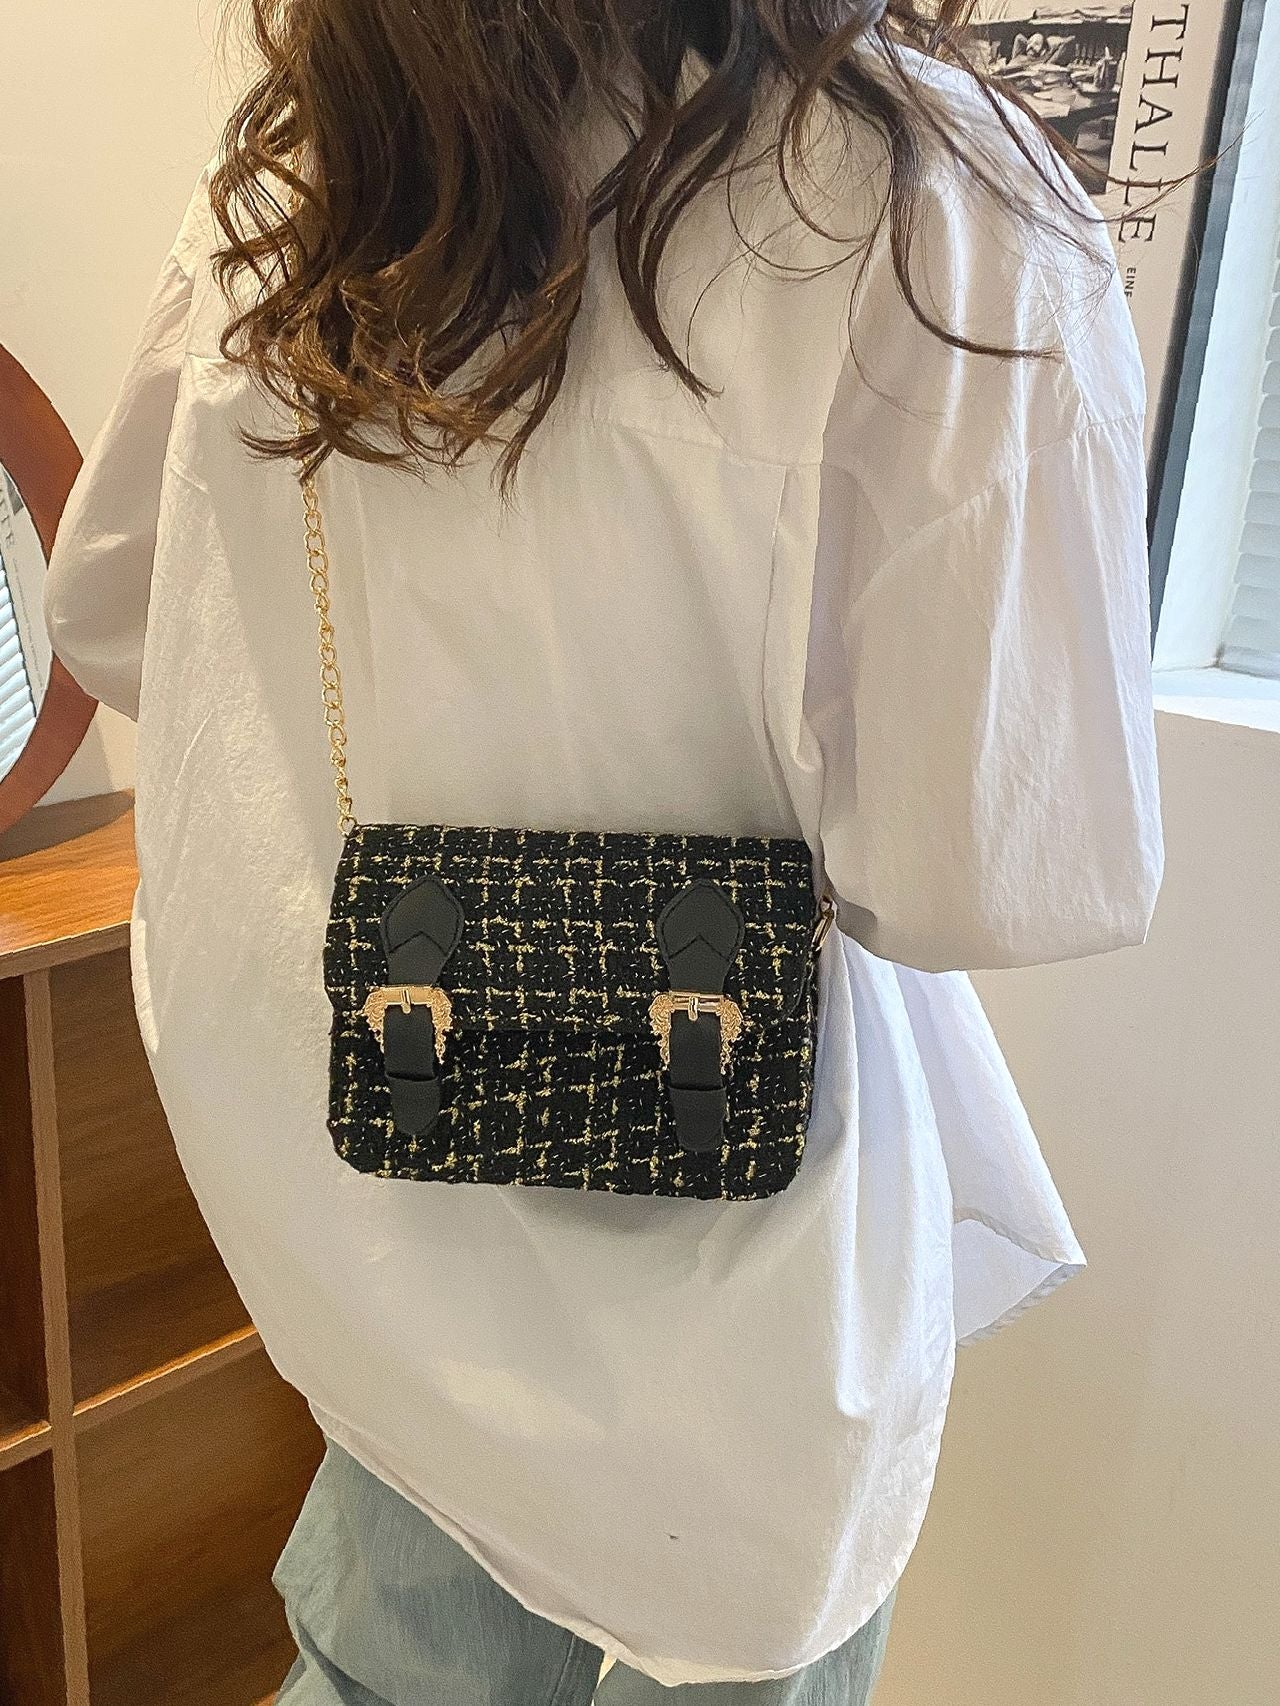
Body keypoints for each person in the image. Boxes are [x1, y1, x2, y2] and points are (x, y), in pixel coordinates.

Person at [42, 1, 1163, 1701]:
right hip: (749, 1338)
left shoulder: (307, 176)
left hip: (401, 1286)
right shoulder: (930, 201)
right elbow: (998, 869)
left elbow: (117, 613)